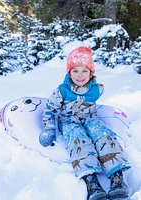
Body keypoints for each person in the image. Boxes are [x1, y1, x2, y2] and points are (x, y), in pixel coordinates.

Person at [39, 46, 131, 200]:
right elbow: (49, 109)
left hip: (90, 118)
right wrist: (49, 128)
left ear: (91, 73)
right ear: (69, 73)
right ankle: (92, 183)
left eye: (84, 70)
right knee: (79, 141)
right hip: (69, 122)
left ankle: (117, 179)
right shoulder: (62, 91)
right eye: (75, 70)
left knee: (103, 135)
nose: (80, 75)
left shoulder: (96, 90)